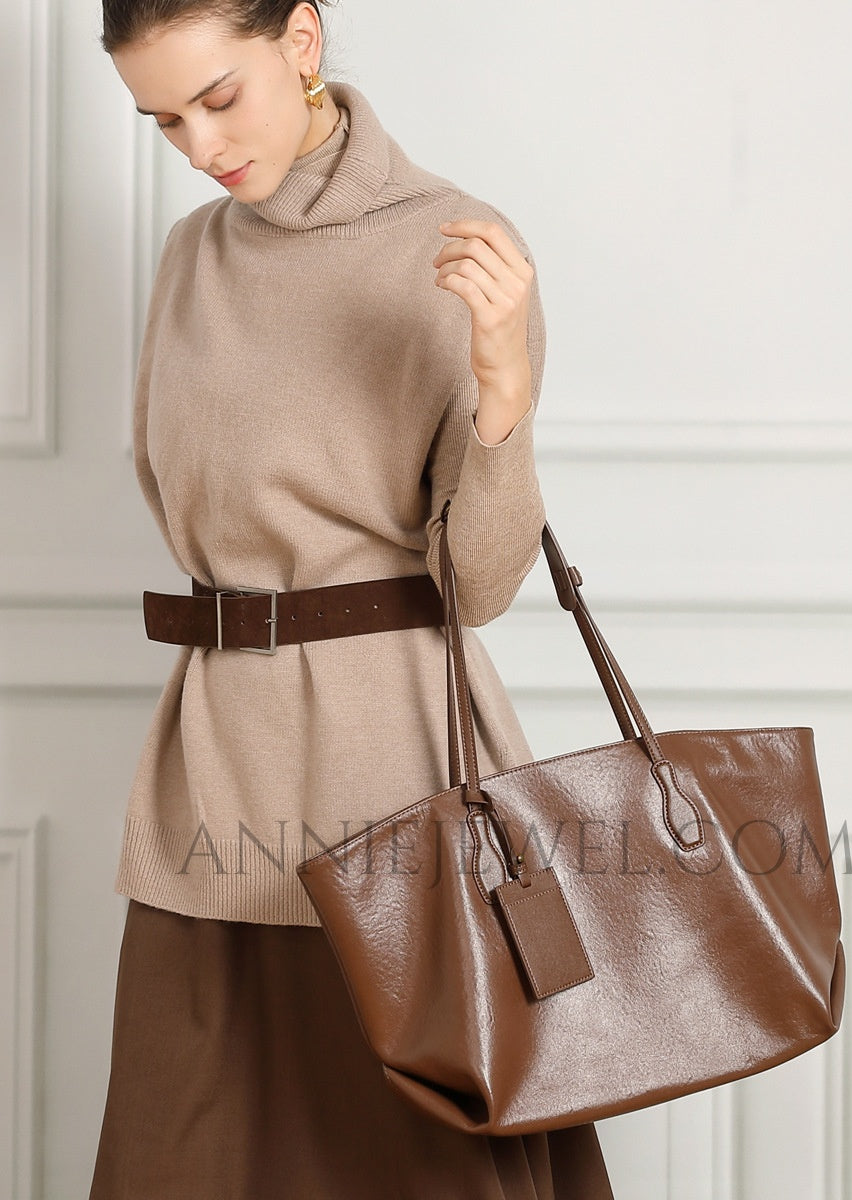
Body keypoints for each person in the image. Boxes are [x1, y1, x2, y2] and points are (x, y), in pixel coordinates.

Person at [90, 2, 616, 1196]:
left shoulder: (453, 244)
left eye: (218, 98)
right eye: (164, 121)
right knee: (187, 1156)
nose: (200, 147)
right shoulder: (191, 255)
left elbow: (481, 585)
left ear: (301, 41)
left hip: (392, 778)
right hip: (211, 764)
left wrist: (503, 385)